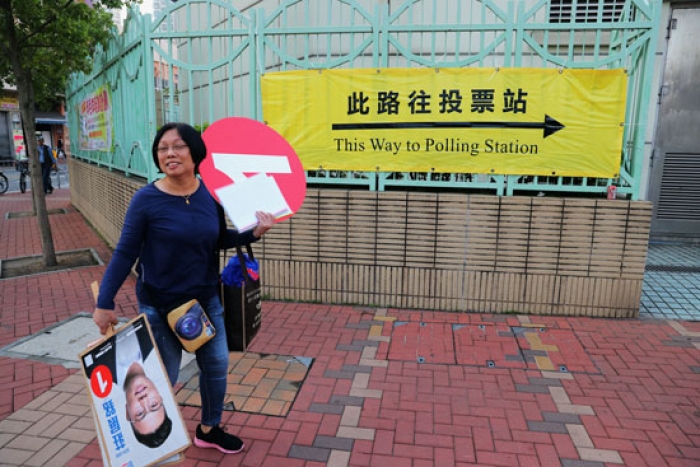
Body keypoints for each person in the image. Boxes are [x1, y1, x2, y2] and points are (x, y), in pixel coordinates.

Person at [93, 122, 275, 455]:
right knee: (165, 376)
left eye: (178, 146)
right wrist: (104, 302)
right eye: (162, 148)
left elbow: (217, 239)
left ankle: (209, 429)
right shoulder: (146, 200)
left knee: (216, 364)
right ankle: (153, 442)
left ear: (195, 152)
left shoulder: (210, 195)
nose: (170, 153)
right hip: (159, 305)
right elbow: (125, 253)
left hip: (204, 300)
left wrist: (253, 233)